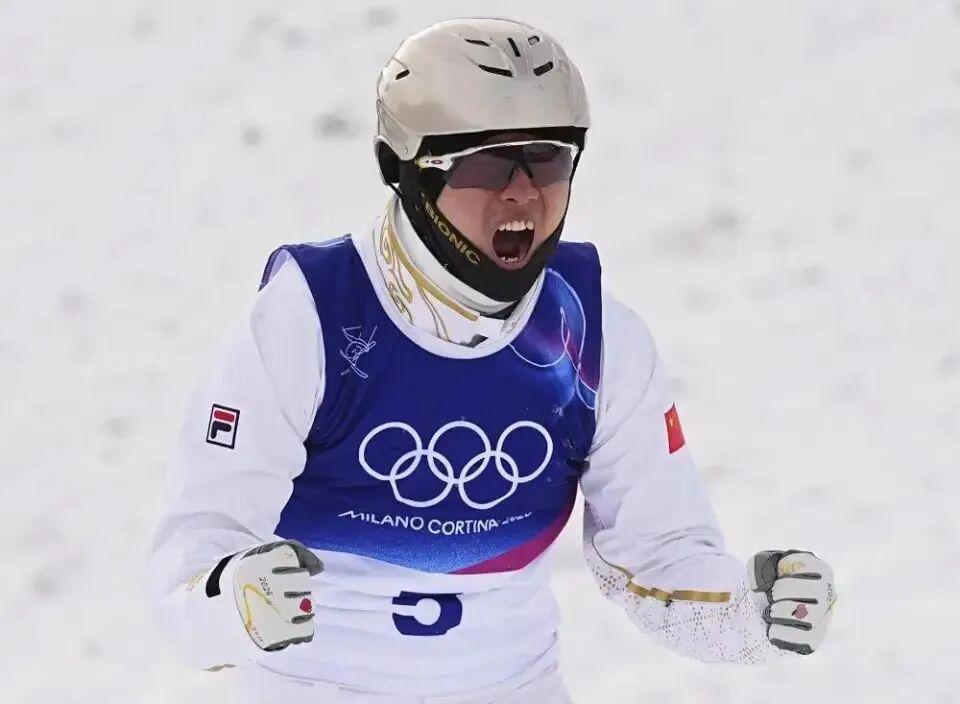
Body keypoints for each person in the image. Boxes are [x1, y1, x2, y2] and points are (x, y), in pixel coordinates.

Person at [148, 17, 837, 704]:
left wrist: (749, 611)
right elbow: (194, 555)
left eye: (548, 161)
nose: (522, 193)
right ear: (402, 169)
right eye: (486, 165)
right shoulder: (309, 317)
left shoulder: (593, 337)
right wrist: (232, 604)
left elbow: (656, 555)